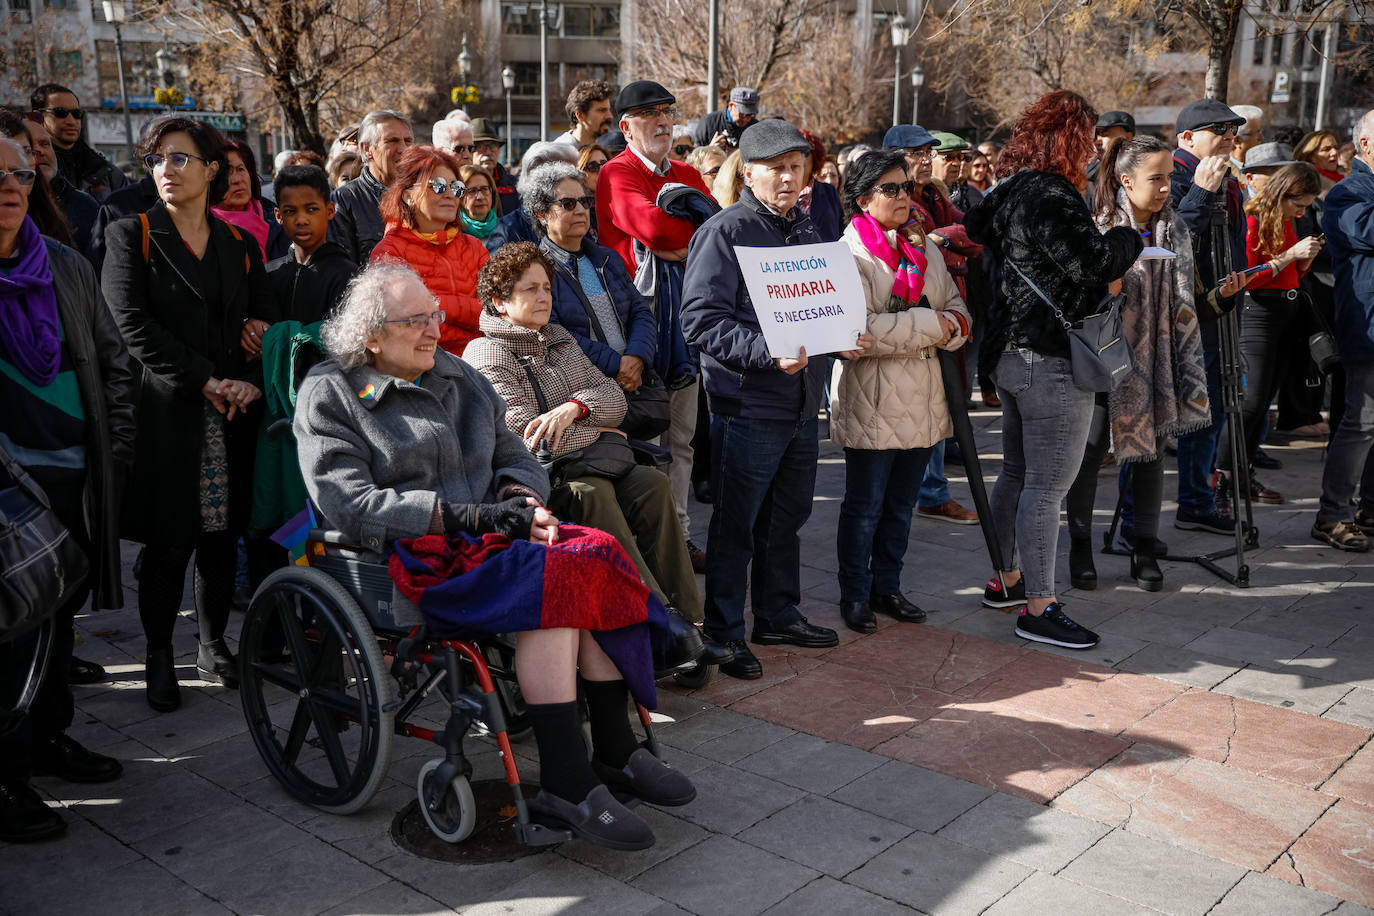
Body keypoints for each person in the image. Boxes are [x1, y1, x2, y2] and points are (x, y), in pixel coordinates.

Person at [295, 260, 695, 850]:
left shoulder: (457, 376)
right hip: (413, 559)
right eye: (417, 321)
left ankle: (615, 751)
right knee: (558, 585)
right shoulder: (331, 394)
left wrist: (519, 498)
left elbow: (518, 453)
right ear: (371, 336)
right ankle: (567, 780)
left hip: (492, 542)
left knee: (597, 554)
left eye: (434, 314)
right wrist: (469, 516)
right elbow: (349, 502)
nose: (435, 329)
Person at [682, 119, 872, 679]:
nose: (789, 179)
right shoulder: (724, 232)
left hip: (800, 401)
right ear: (750, 171)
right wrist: (767, 352)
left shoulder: (809, 230)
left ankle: (777, 613)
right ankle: (722, 632)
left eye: (797, 168)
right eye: (776, 169)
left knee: (787, 517)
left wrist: (845, 338)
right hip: (747, 404)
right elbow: (700, 322)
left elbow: (820, 310)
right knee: (736, 525)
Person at [101, 117, 270, 711]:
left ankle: (212, 641)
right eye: (157, 160)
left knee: (221, 539)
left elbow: (260, 322)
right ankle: (155, 654)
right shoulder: (133, 234)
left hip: (231, 415)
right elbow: (131, 325)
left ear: (210, 169)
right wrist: (206, 378)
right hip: (169, 412)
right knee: (170, 543)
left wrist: (248, 378)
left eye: (180, 158)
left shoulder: (241, 244)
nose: (167, 170)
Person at [964, 89, 1143, 648]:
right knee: (1046, 488)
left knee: (1017, 474)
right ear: (1068, 138)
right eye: (1086, 137)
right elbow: (1092, 264)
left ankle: (1007, 580)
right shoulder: (1052, 193)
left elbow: (974, 225)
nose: (1092, 149)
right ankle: (1039, 605)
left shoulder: (1013, 188)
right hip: (1050, 357)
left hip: (1012, 357)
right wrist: (1127, 234)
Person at [465, 243, 713, 644]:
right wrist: (600, 429)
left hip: (592, 459)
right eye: (530, 290)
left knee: (653, 484)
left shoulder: (560, 337)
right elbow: (526, 435)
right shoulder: (486, 352)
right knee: (591, 493)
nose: (544, 296)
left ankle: (691, 622)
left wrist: (576, 410)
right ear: (500, 301)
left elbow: (615, 399)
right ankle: (656, 621)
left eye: (546, 286)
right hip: (543, 480)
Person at [0, 136, 135, 842]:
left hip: (74, 482)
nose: (9, 187)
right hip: (5, 499)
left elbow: (114, 364)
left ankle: (47, 741)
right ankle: (6, 776)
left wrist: (111, 450)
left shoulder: (65, 266)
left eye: (19, 173)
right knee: (8, 637)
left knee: (55, 626)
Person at [1065, 137, 1212, 592]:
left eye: (1169, 177)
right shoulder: (1097, 229)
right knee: (1088, 455)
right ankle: (1080, 546)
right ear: (1126, 181)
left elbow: (1190, 300)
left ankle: (1144, 547)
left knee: (1150, 454)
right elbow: (1081, 299)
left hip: (1157, 362)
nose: (1167, 187)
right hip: (1103, 359)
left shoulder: (1178, 231)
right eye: (1157, 179)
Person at [831, 149, 969, 634]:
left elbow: (959, 312)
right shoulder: (848, 253)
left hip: (924, 399)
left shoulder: (923, 246)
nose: (903, 196)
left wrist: (948, 324)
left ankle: (887, 587)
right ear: (864, 198)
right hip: (872, 398)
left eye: (906, 186)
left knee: (900, 507)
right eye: (890, 188)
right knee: (864, 505)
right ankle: (854, 594)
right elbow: (857, 332)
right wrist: (934, 324)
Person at [596, 80, 715, 572]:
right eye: (650, 114)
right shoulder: (615, 173)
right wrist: (679, 240)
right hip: (634, 333)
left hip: (687, 327)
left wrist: (680, 242)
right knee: (642, 440)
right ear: (625, 127)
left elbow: (715, 231)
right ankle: (645, 541)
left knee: (682, 439)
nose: (664, 121)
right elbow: (656, 229)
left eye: (667, 111)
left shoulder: (686, 171)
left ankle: (680, 534)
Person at [884, 124, 982, 526]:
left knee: (942, 403)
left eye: (928, 152)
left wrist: (947, 240)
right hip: (912, 314)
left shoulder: (933, 193)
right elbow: (921, 243)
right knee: (924, 406)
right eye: (916, 153)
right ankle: (930, 492)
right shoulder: (900, 198)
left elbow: (973, 237)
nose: (926, 159)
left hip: (947, 308)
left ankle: (930, 489)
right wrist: (946, 243)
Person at [1211, 162, 1323, 507]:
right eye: (1298, 204)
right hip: (1258, 311)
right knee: (1251, 402)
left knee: (1263, 404)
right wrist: (1291, 255)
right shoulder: (1253, 216)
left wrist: (1305, 258)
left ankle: (1241, 475)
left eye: (1306, 206)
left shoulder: (1284, 218)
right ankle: (1221, 477)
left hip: (1285, 309)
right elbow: (1249, 276)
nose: (1302, 212)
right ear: (1282, 192)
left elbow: (1289, 273)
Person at [1169, 98, 1255, 535]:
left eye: (1233, 131)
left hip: (1223, 307)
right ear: (1187, 137)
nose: (1229, 138)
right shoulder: (1175, 174)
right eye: (1219, 130)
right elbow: (1172, 241)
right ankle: (1189, 502)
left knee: (1218, 404)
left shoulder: (1225, 175)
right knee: (1196, 410)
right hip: (1189, 312)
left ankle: (1198, 496)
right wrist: (1202, 192)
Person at [525, 163, 656, 396]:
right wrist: (617, 365)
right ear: (541, 213)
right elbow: (552, 332)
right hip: (584, 391)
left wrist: (637, 356)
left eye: (584, 202)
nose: (580, 210)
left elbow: (641, 311)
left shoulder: (608, 259)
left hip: (635, 380)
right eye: (567, 204)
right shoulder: (535, 270)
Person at [1313, 110, 1374, 551]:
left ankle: (1368, 510)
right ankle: (1333, 515)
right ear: (1367, 145)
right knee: (1360, 424)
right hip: (1368, 326)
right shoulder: (1347, 192)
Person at [368, 146, 489, 355]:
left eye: (457, 187)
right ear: (408, 195)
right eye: (439, 186)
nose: (451, 195)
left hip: (479, 358)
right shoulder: (389, 252)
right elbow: (407, 324)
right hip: (422, 361)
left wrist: (439, 305)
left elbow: (495, 313)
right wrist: (468, 314)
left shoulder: (474, 246)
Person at [264, 165, 356, 324]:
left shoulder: (348, 276)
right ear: (279, 216)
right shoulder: (269, 274)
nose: (301, 220)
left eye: (311, 209)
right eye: (290, 211)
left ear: (330, 211)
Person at [328, 110, 414, 264]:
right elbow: (343, 270)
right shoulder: (344, 199)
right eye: (392, 140)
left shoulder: (422, 195)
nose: (403, 149)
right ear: (367, 149)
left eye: (408, 141)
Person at [31, 83, 128, 199]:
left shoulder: (108, 173)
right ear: (37, 117)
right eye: (60, 112)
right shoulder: (25, 170)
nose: (71, 121)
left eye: (77, 114)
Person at [19, 116, 98, 255]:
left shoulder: (85, 205)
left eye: (44, 144)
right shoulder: (9, 207)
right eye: (28, 146)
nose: (39, 151)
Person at [487, 142, 581, 252]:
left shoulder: (582, 217)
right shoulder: (508, 229)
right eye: (564, 175)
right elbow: (496, 267)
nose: (575, 182)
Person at [212, 138, 288, 263]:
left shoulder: (278, 220)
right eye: (226, 173)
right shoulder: (202, 229)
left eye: (240, 169)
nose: (237, 179)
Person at [471, 118, 521, 215]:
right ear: (470, 150)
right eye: (481, 147)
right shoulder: (460, 184)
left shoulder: (515, 185)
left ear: (499, 151)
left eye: (493, 146)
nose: (488, 152)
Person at [691, 86, 759, 150]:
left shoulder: (755, 127)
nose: (746, 119)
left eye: (749, 115)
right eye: (742, 114)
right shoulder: (708, 122)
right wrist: (710, 150)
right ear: (730, 106)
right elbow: (694, 157)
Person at [554, 80, 616, 149]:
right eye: (602, 110)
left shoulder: (606, 149)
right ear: (580, 115)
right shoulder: (560, 153)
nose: (610, 116)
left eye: (608, 110)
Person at [457, 163, 501, 242]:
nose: (480, 197)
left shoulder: (506, 230)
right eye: (472, 191)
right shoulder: (452, 234)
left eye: (484, 189)